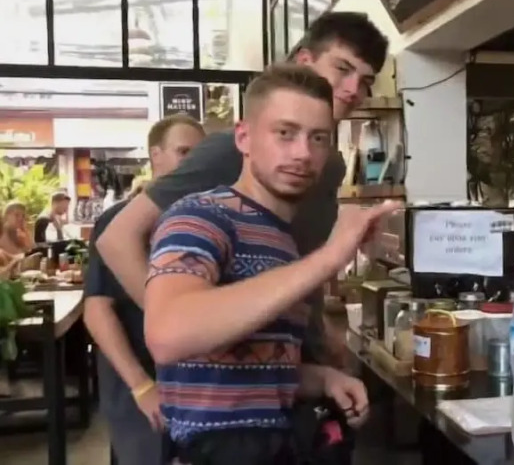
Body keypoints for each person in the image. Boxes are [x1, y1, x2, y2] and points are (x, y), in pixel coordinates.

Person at [96, 11, 388, 369]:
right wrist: (193, 336)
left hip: (294, 369)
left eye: (365, 81)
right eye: (342, 69)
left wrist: (318, 332)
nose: (353, 89)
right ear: (304, 61)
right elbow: (117, 239)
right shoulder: (228, 153)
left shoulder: (330, 166)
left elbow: (295, 265)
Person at [143, 63, 399, 463]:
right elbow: (168, 334)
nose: (303, 153)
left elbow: (251, 371)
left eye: (318, 138)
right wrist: (330, 257)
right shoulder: (201, 216)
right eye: (285, 133)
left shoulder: (281, 240)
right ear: (244, 137)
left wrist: (324, 379)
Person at [82, 115, 207, 465]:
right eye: (184, 152)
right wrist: (141, 386)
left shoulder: (204, 220)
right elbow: (97, 310)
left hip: (195, 383)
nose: (193, 164)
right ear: (156, 156)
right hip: (138, 377)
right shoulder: (119, 222)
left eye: (199, 155)